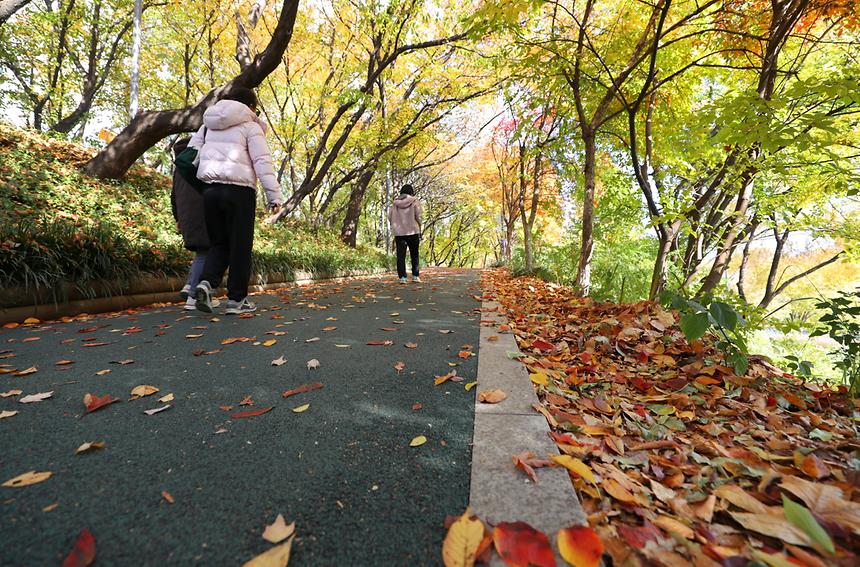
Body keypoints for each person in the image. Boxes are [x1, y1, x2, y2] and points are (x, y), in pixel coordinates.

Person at [188, 87, 283, 314]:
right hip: (239, 192)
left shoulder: (207, 125)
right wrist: (274, 196)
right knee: (240, 246)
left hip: (210, 192)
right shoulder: (250, 126)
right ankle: (236, 300)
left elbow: (192, 155)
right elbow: (262, 162)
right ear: (251, 107)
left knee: (218, 243)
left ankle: (206, 283)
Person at [171, 137, 214, 311]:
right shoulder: (199, 163)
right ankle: (192, 294)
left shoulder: (177, 171)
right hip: (204, 214)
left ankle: (192, 285)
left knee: (201, 253)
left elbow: (173, 197)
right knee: (207, 252)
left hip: (186, 217)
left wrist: (178, 218)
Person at [388, 184, 422, 283]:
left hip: (399, 233)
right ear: (411, 192)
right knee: (414, 254)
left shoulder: (395, 203)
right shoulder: (414, 201)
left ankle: (402, 277)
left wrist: (395, 224)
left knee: (400, 255)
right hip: (413, 231)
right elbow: (418, 215)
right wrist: (419, 224)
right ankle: (415, 276)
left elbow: (390, 216)